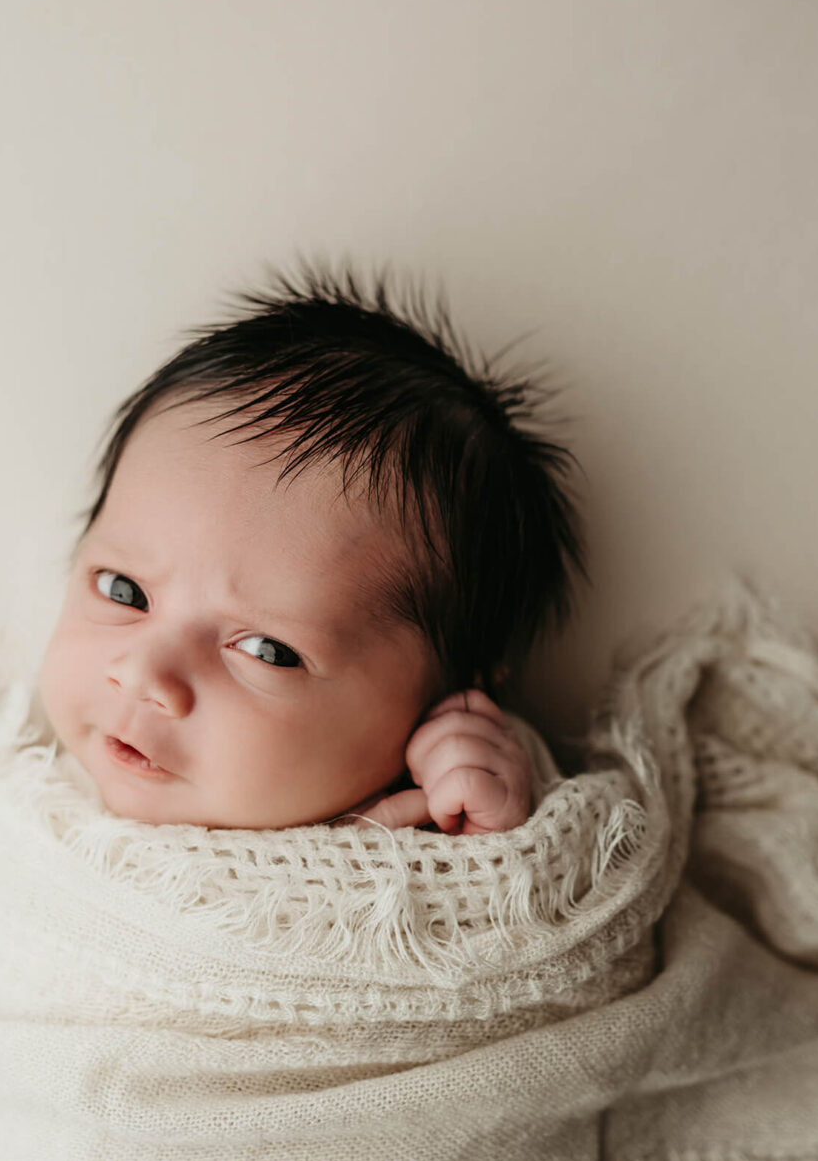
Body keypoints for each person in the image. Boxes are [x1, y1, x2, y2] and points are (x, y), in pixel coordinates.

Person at [37, 265, 582, 833]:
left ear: (440, 711)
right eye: (122, 590)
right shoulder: (20, 793)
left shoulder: (444, 850)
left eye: (268, 651)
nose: (144, 673)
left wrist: (484, 849)